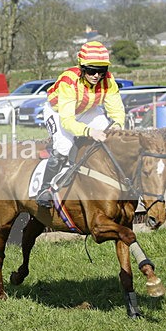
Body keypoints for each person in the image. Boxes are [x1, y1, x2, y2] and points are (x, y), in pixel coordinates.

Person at [36, 41, 126, 208]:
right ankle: (45, 188)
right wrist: (89, 131)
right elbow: (68, 121)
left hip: (88, 110)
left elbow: (116, 109)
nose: (97, 76)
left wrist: (118, 124)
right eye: (91, 70)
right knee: (64, 145)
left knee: (109, 137)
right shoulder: (68, 81)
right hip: (58, 112)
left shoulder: (109, 80)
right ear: (82, 67)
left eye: (101, 71)